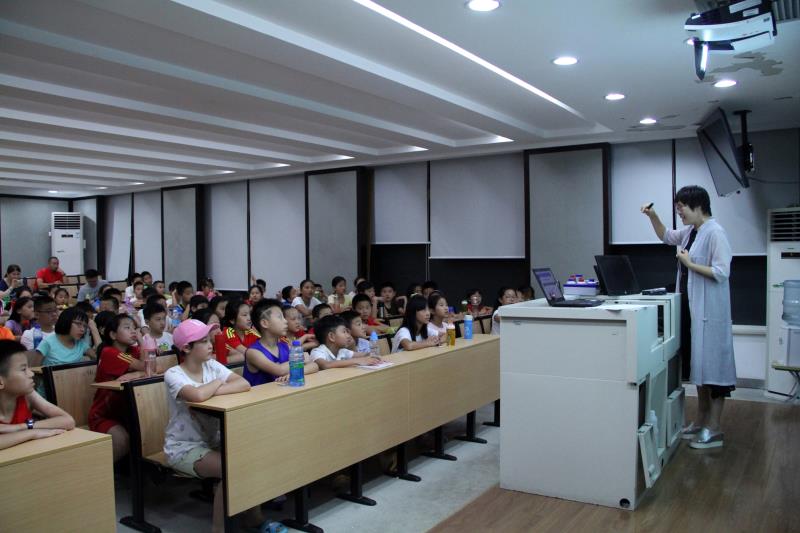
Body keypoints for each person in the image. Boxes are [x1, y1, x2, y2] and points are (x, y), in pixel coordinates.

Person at [642, 186, 735, 449]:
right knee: (700, 369)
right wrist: (652, 216)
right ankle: (700, 420)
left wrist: (690, 264)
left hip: (711, 314)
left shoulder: (715, 232)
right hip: (692, 311)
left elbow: (722, 272)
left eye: (682, 207)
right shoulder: (691, 232)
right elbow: (666, 236)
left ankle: (714, 429)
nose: (679, 213)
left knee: (714, 372)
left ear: (698, 206)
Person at [163, 320, 262, 532]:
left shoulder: (212, 366)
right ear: (186, 348)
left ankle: (254, 519)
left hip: (214, 441)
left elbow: (243, 384)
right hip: (184, 448)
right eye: (204, 341)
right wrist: (218, 382)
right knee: (232, 468)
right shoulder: (173, 374)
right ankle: (219, 529)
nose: (211, 345)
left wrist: (210, 388)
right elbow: (197, 396)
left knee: (251, 458)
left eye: (210, 340)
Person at [88, 314, 147, 462]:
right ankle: (100, 472)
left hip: (126, 413)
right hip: (104, 415)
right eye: (127, 328)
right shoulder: (110, 352)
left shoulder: (132, 350)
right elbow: (145, 366)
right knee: (122, 440)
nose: (133, 331)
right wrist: (141, 340)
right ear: (113, 335)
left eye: (134, 328)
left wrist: (136, 374)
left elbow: (153, 366)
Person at [0, 340, 75, 450]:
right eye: (23, 369)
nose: (31, 373)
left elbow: (68, 421)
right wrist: (32, 433)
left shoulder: (28, 395)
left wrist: (20, 427)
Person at [244, 299, 319, 385]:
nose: (285, 321)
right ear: (265, 323)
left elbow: (314, 366)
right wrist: (301, 359)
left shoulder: (285, 346)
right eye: (280, 317)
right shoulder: (253, 352)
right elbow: (279, 370)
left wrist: (293, 373)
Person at [310, 315, 380, 369]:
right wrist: (358, 361)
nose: (349, 335)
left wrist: (373, 354)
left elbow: (363, 355)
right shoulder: (317, 352)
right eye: (344, 332)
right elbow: (326, 365)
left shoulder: (342, 351)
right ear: (331, 337)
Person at [216, 300, 258, 364]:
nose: (249, 318)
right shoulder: (228, 332)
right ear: (232, 320)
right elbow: (247, 353)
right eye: (244, 315)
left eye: (250, 314)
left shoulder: (251, 332)